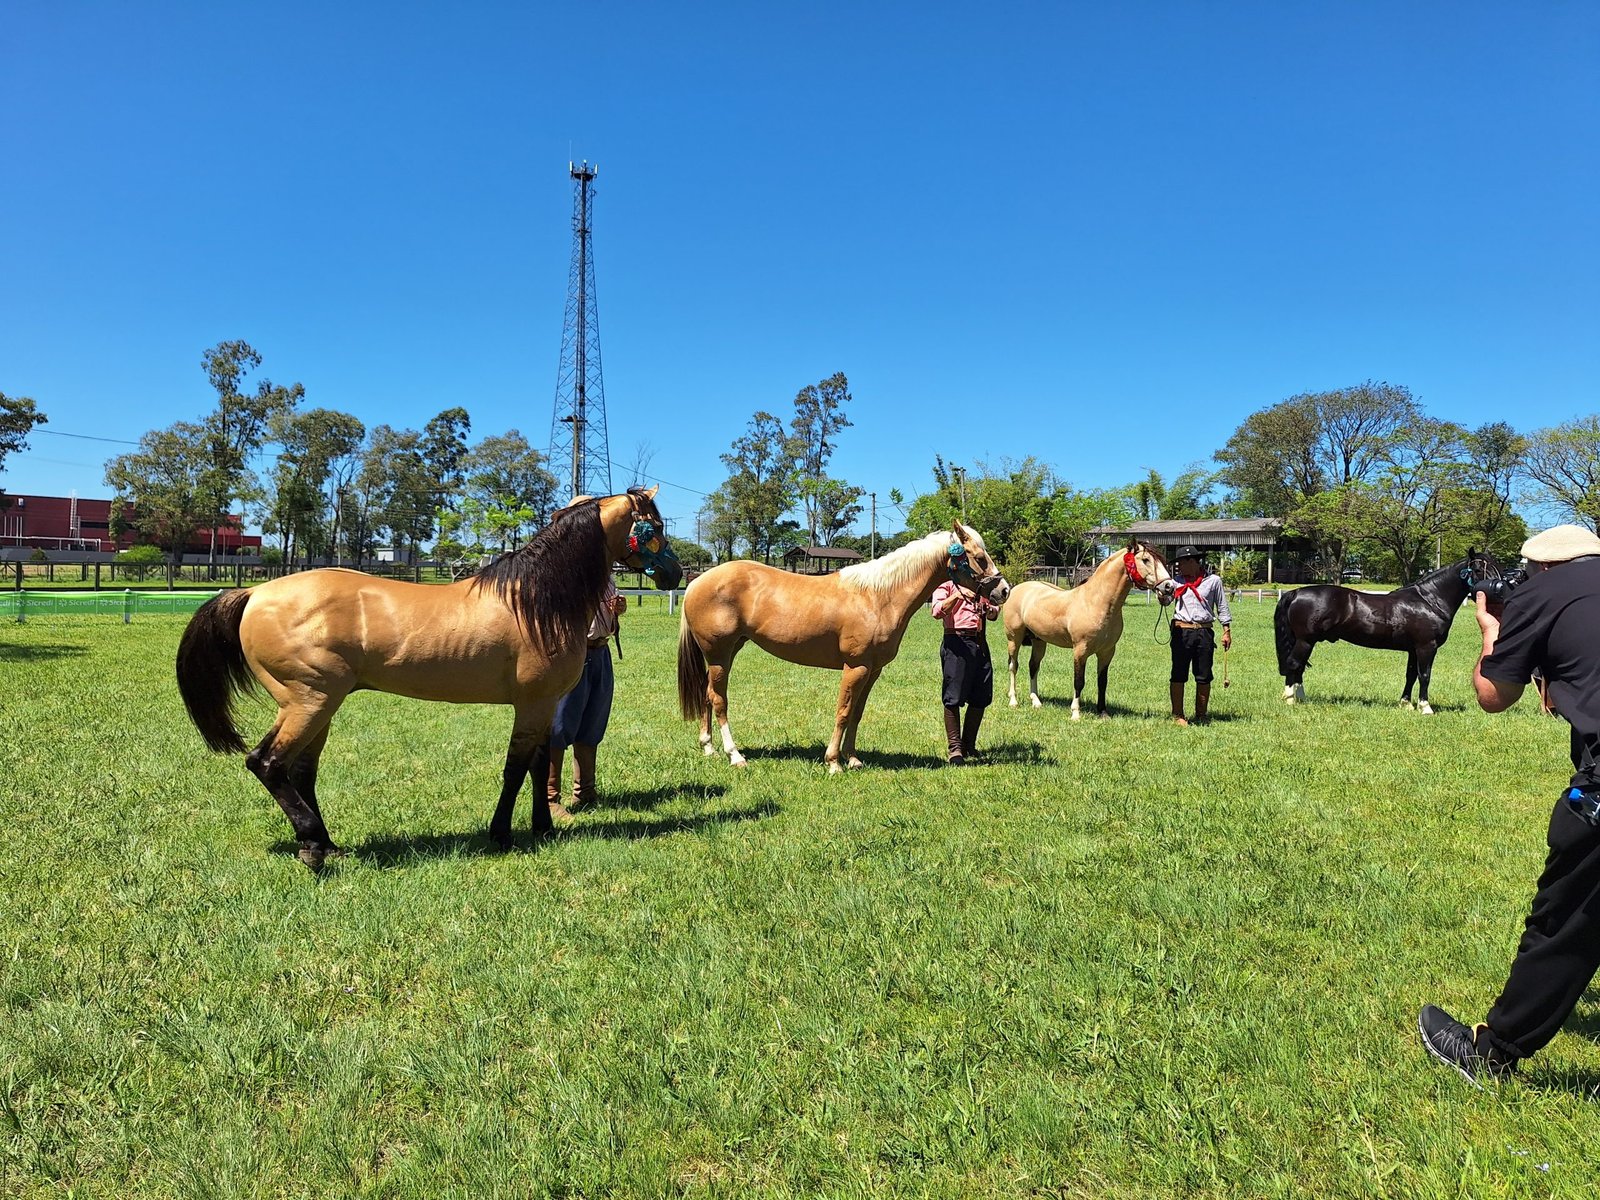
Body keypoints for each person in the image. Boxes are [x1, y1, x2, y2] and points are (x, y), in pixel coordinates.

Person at [1419, 523, 1600, 1084]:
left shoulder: (1539, 594)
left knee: (1567, 919)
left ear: (1541, 567)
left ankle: (1491, 1052)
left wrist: (1491, 633)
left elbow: (1494, 695)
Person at [546, 564, 629, 821]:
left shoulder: (606, 578)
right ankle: (550, 797)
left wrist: (617, 610)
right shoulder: (568, 576)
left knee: (593, 723)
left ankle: (585, 791)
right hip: (574, 653)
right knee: (560, 725)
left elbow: (606, 618)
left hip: (601, 653)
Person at [931, 571, 1000, 765]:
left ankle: (969, 745)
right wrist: (957, 596)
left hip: (980, 641)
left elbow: (995, 611)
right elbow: (936, 611)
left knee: (982, 695)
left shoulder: (981, 587)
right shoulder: (947, 585)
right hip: (956, 642)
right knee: (953, 696)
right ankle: (955, 749)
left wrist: (989, 610)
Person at [1167, 546, 1231, 725]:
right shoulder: (1175, 582)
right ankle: (1178, 715)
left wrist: (1226, 631)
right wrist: (1163, 597)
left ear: (1192, 562)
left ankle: (1201, 714)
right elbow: (1167, 600)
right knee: (1178, 673)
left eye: (1181, 563)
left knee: (1204, 674)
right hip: (1182, 631)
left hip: (1204, 631)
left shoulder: (1213, 581)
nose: (1179, 567)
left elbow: (1222, 606)